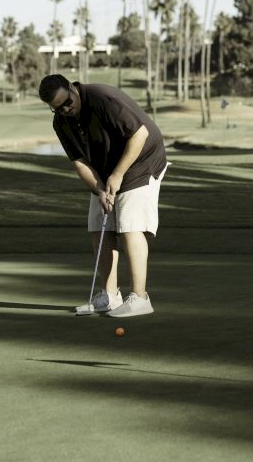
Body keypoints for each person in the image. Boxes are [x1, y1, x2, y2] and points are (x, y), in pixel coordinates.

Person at [38, 74, 169, 318]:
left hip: (142, 160)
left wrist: (118, 175)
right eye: (57, 108)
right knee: (99, 225)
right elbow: (79, 161)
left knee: (130, 225)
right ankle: (109, 297)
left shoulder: (102, 98)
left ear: (72, 88)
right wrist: (99, 188)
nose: (66, 110)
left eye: (67, 102)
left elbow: (139, 135)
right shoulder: (61, 122)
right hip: (107, 168)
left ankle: (140, 298)